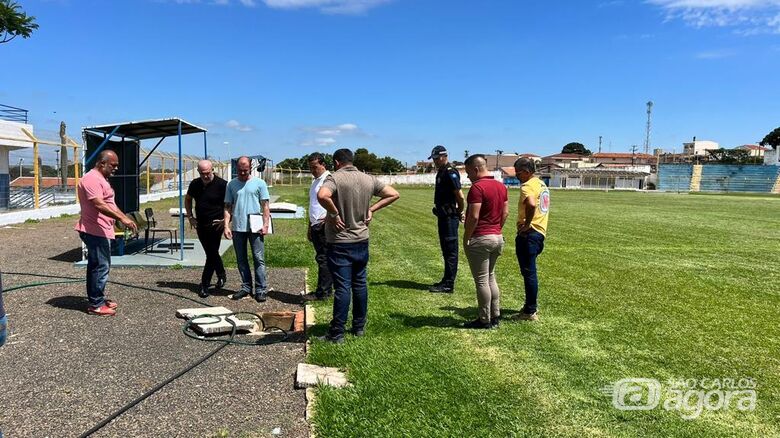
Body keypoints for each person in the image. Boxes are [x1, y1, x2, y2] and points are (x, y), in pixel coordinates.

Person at [317, 148, 400, 343]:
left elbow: (322, 195)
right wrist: (372, 209)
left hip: (340, 241)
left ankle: (337, 333)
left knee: (343, 287)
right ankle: (359, 326)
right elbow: (393, 194)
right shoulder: (368, 179)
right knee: (360, 283)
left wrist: (334, 213)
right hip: (361, 239)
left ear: (336, 162)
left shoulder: (335, 178)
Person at [75, 150, 138, 316]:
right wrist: (121, 219)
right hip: (94, 230)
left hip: (102, 229)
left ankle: (98, 299)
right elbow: (99, 204)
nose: (116, 168)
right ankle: (96, 304)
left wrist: (124, 218)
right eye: (113, 165)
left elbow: (110, 204)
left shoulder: (102, 179)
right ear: (102, 163)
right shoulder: (91, 179)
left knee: (97, 265)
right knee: (100, 266)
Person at [462, 154, 508, 329]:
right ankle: (495, 315)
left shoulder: (477, 188)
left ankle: (484, 319)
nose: (468, 177)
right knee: (490, 277)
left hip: (481, 237)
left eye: (468, 173)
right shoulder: (501, 186)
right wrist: (497, 228)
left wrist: (467, 237)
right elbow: (505, 213)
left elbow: (474, 216)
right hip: (497, 237)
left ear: (476, 169)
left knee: (481, 280)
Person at [223, 156, 271, 303]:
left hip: (255, 227)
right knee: (241, 259)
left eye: (245, 170)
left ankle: (261, 289)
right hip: (238, 227)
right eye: (240, 170)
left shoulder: (259, 183)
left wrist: (265, 224)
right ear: (236, 168)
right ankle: (246, 287)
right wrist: (226, 226)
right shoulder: (231, 184)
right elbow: (227, 206)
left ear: (250, 168)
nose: (242, 173)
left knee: (258, 258)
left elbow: (265, 205)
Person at [512, 157, 549, 321]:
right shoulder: (541, 184)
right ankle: (530, 307)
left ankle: (530, 310)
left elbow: (532, 204)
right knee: (530, 272)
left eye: (518, 173)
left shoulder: (527, 186)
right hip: (540, 233)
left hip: (529, 235)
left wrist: (527, 225)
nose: (516, 176)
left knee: (529, 273)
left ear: (527, 172)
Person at [186, 159, 228, 298]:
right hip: (200, 224)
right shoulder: (195, 184)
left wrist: (226, 220)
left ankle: (204, 284)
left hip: (216, 224)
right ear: (198, 172)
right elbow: (188, 199)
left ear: (212, 170)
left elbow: (231, 204)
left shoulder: (222, 185)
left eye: (207, 173)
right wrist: (190, 217)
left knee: (211, 254)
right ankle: (221, 274)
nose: (205, 176)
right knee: (212, 252)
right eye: (202, 173)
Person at [428, 145, 465, 293]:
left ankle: (449, 283)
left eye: (437, 158)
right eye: (434, 159)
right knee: (445, 249)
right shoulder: (442, 172)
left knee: (450, 250)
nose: (435, 161)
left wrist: (459, 211)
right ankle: (446, 279)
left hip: (449, 217)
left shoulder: (450, 172)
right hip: (443, 216)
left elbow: (460, 196)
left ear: (444, 156)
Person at [302, 153, 333, 301]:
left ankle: (324, 292)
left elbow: (335, 203)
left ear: (323, 165)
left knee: (324, 259)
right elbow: (313, 205)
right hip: (315, 224)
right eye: (310, 168)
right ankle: (324, 290)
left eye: (315, 167)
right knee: (322, 258)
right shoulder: (315, 181)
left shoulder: (328, 180)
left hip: (324, 225)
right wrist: (310, 226)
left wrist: (327, 219)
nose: (312, 171)